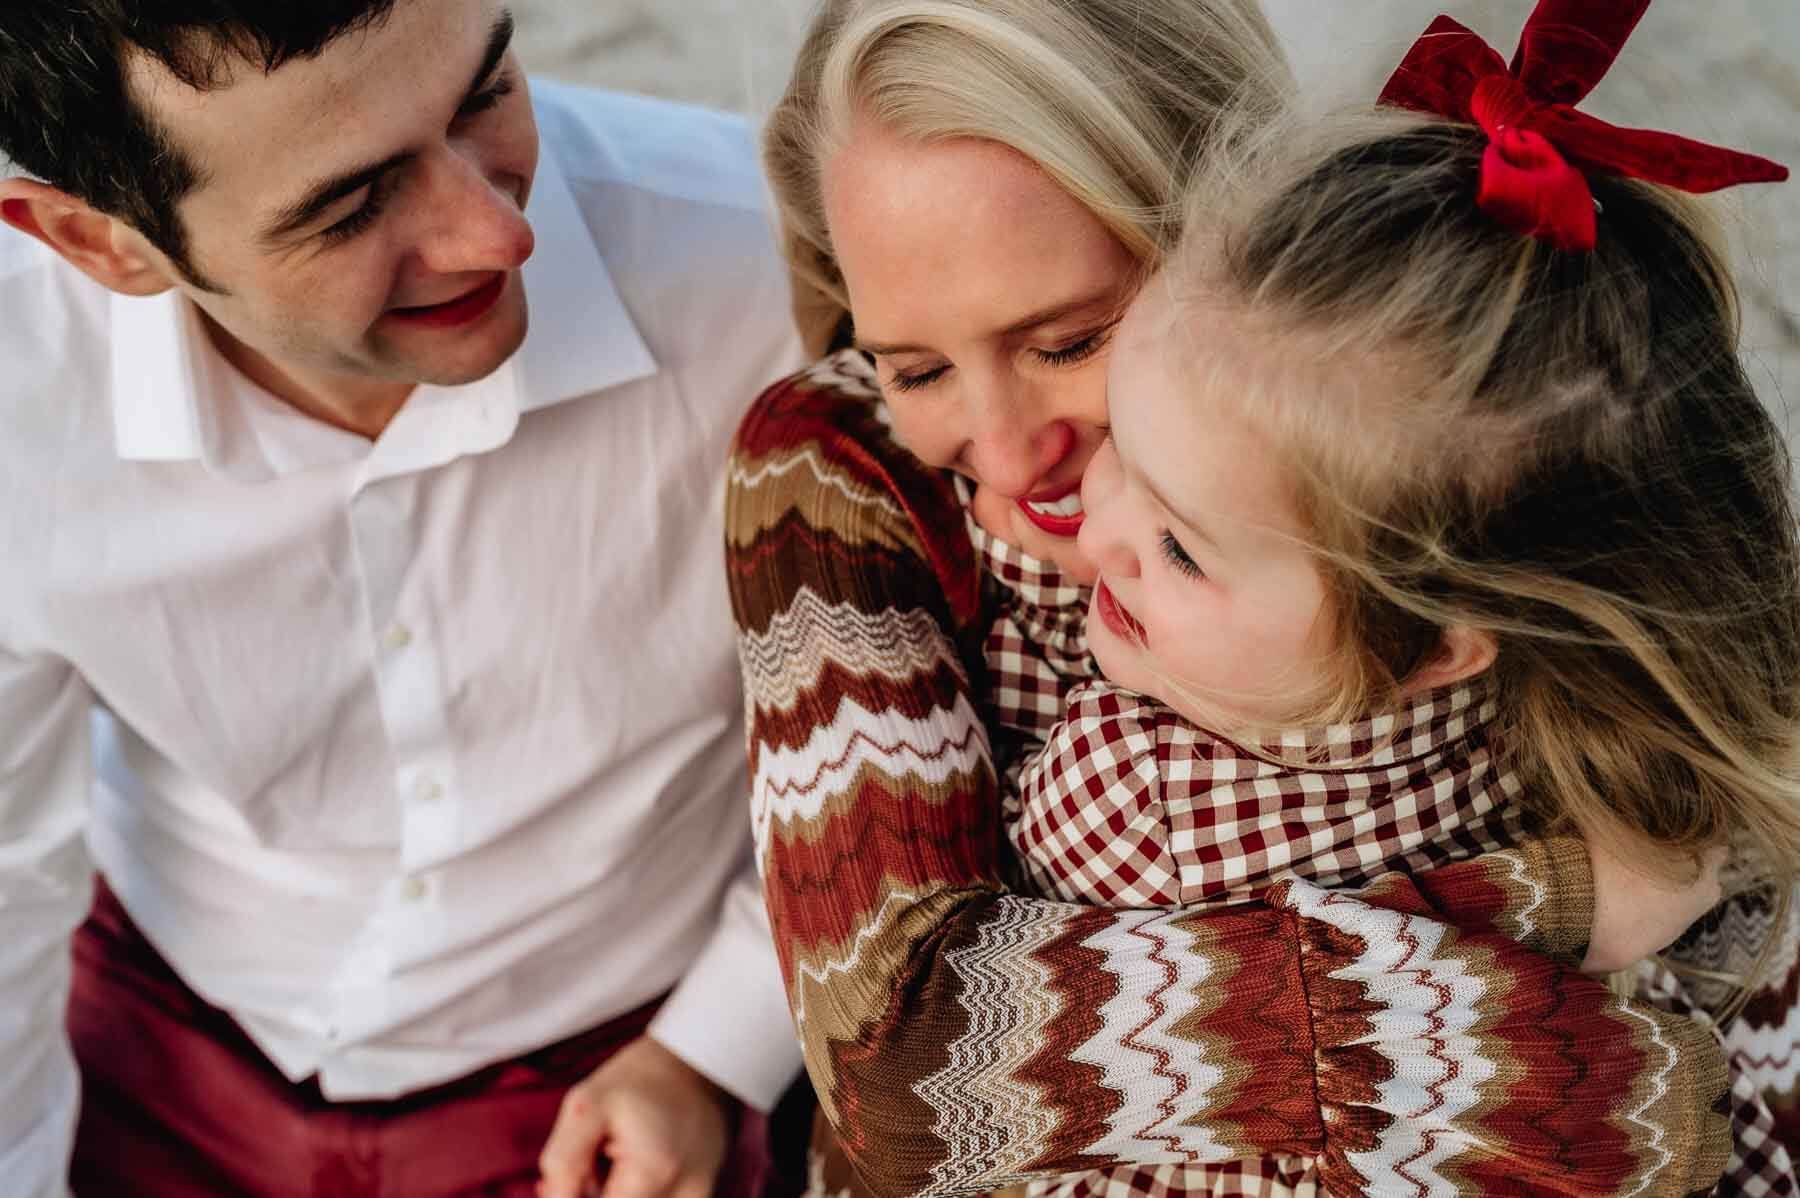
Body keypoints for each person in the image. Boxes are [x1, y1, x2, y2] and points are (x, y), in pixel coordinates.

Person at [725, 0, 1756, 1194]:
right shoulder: (829, 467)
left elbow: (1723, 854)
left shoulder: (1441, 444)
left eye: (1069, 341)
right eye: (917, 366)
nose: (1006, 457)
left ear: (1245, 234)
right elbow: (899, 1062)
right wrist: (1543, 921)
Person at [0, 3, 803, 1195]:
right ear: (97, 241)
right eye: (350, 204)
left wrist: (714, 1051)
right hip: (141, 1028)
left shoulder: (774, 280)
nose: (498, 234)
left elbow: (911, 728)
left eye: (483, 94)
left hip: (615, 1081)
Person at [1003, 5, 1800, 1188]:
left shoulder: (1131, 798)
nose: (1102, 525)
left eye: (1182, 550)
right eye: (1123, 441)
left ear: (1437, 644)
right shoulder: (1617, 728)